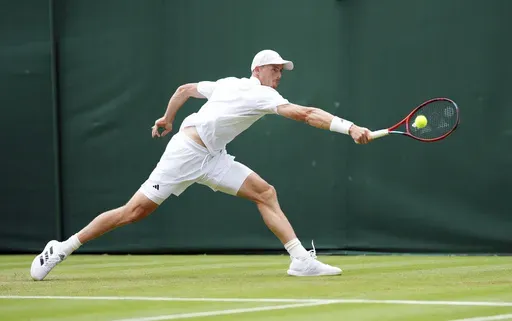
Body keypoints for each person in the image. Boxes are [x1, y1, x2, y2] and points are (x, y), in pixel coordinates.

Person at [30, 49, 372, 281]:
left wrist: (167, 118)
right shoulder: (261, 94)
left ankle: (300, 260)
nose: (279, 74)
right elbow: (306, 114)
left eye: (281, 71)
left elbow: (184, 89)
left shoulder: (225, 85)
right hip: (185, 154)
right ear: (257, 70)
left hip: (213, 157)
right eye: (274, 69)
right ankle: (61, 248)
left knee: (265, 193)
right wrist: (350, 127)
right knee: (133, 212)